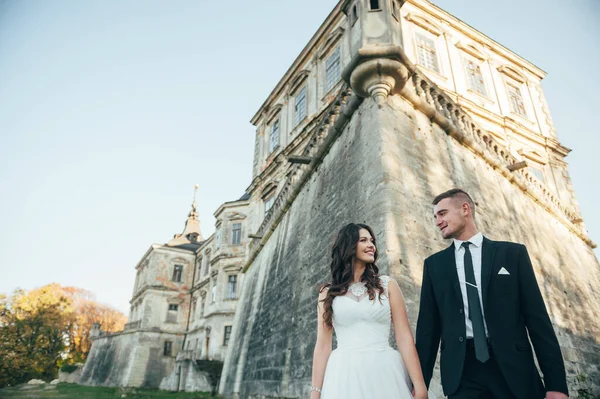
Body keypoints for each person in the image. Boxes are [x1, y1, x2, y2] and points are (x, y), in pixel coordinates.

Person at [416, 188, 569, 398]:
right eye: (435, 216)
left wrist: (557, 385)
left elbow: (538, 320)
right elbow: (428, 331)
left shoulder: (512, 254)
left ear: (465, 209)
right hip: (462, 375)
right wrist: (419, 384)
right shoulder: (434, 265)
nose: (437, 221)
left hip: (514, 370)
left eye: (442, 213)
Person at [310, 223, 430, 399]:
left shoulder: (388, 285)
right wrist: (315, 392)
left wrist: (420, 385)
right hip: (343, 375)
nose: (371, 245)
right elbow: (322, 346)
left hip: (385, 371)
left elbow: (404, 337)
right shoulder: (328, 293)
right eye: (363, 240)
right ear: (348, 247)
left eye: (372, 241)